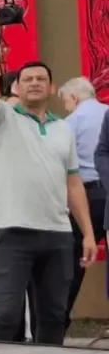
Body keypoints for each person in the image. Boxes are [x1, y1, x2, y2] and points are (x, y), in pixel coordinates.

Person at [0, 12, 98, 345]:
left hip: (58, 235)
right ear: (16, 87)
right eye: (27, 79)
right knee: (5, 316)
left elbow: (73, 184)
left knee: (54, 316)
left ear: (52, 88)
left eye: (41, 78)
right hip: (12, 232)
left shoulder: (63, 129)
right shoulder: (2, 119)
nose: (35, 83)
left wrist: (87, 233)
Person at [60, 77, 108, 324]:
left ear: (74, 97)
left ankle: (59, 321)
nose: (66, 108)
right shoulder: (106, 112)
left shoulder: (69, 123)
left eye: (66, 102)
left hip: (86, 197)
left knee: (73, 261)